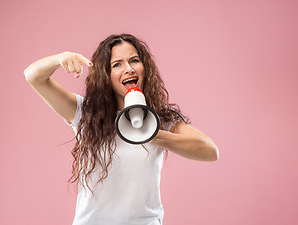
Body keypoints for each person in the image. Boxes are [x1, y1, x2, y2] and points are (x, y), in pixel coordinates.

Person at [24, 34, 219, 225]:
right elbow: (33, 76)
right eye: (117, 64)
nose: (128, 69)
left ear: (145, 68)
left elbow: (210, 151)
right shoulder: (86, 114)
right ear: (106, 76)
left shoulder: (161, 119)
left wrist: (152, 135)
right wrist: (60, 59)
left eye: (134, 61)